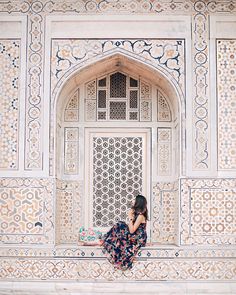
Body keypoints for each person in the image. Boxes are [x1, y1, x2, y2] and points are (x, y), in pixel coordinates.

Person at [98, 194, 148, 270]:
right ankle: (103, 241)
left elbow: (131, 231)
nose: (132, 201)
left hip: (137, 239)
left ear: (138, 202)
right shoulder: (137, 214)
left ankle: (102, 241)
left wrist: (130, 217)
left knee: (120, 225)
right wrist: (131, 217)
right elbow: (130, 229)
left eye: (134, 199)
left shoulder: (140, 216)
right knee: (120, 225)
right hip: (134, 235)